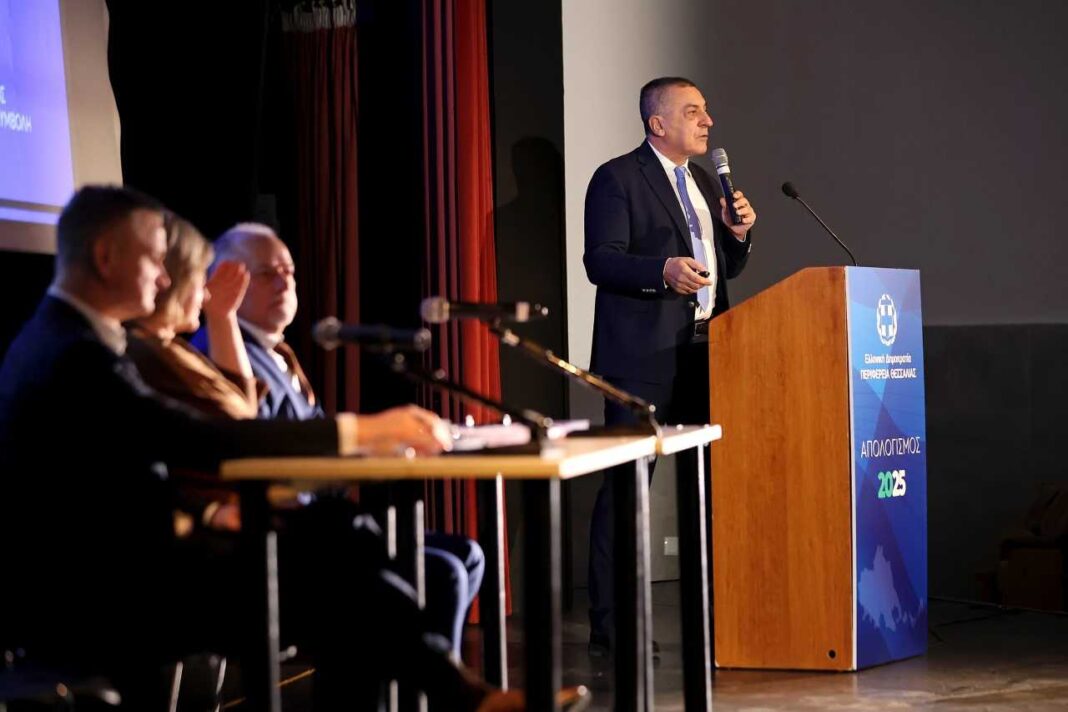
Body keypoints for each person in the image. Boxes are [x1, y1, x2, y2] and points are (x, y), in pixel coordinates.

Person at [0, 185, 587, 711]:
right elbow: (203, 439)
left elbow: (126, 465)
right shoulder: (74, 352)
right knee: (338, 569)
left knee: (335, 540)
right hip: (107, 590)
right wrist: (361, 431)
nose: (162, 279)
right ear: (105, 257)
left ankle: (465, 694)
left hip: (133, 561)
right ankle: (464, 695)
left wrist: (209, 511)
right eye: (154, 259)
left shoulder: (72, 339)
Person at [194, 223, 485, 659]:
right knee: (443, 572)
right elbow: (257, 440)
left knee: (467, 554)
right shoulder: (223, 349)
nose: (285, 282)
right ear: (227, 282)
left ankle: (419, 681)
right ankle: (428, 685)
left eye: (289, 271)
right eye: (267, 273)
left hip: (325, 522)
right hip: (286, 537)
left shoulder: (278, 352)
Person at [583, 77, 757, 655]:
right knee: (628, 489)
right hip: (642, 360)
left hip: (707, 351)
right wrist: (661, 271)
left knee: (709, 489)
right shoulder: (617, 178)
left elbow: (723, 267)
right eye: (693, 111)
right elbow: (601, 261)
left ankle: (715, 615)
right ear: (657, 123)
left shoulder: (704, 181)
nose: (708, 120)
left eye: (706, 111)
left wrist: (738, 236)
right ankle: (613, 625)